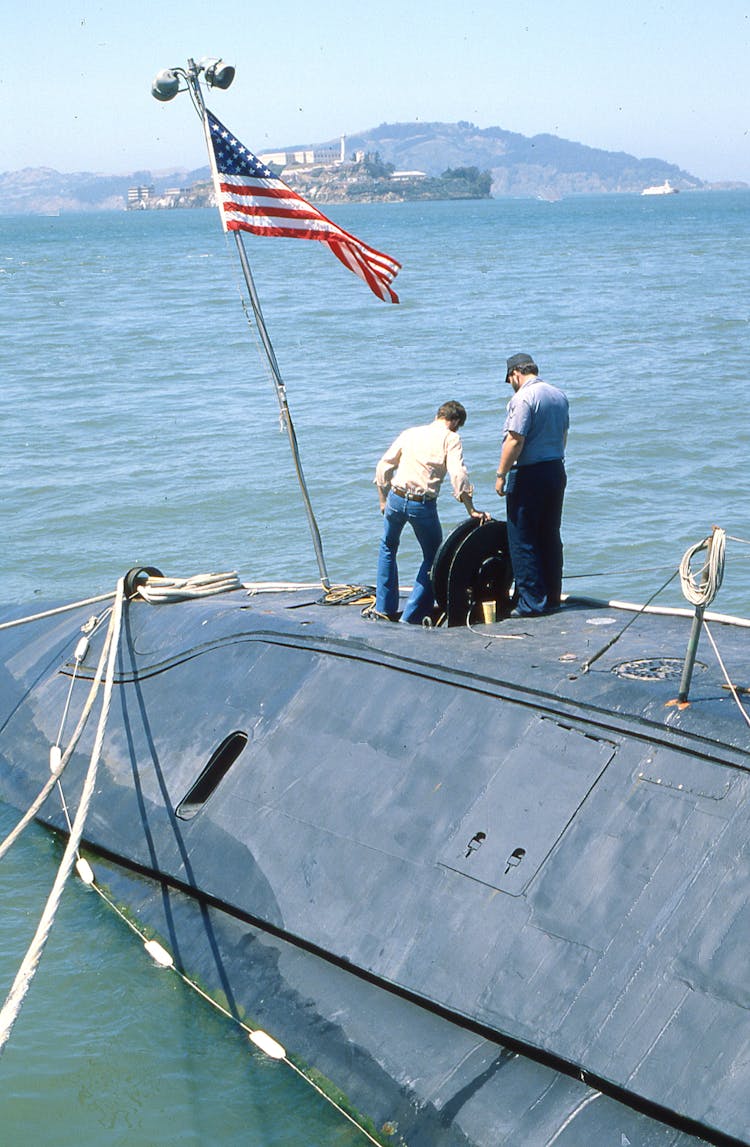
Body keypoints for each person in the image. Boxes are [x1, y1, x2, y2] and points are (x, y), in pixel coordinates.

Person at [372, 401, 488, 624]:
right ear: (454, 422)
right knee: (434, 558)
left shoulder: (411, 433)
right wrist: (471, 509)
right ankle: (412, 616)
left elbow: (383, 466)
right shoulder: (451, 438)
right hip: (421, 504)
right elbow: (459, 475)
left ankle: (384, 608)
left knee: (388, 547)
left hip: (396, 497)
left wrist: (383, 499)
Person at [495, 353, 569, 616]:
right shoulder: (558, 395)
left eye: (510, 380)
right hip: (555, 470)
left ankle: (530, 603)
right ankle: (552, 597)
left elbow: (515, 439)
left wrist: (501, 473)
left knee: (522, 537)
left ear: (516, 373)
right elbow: (563, 436)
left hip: (528, 473)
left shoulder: (523, 398)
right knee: (549, 535)